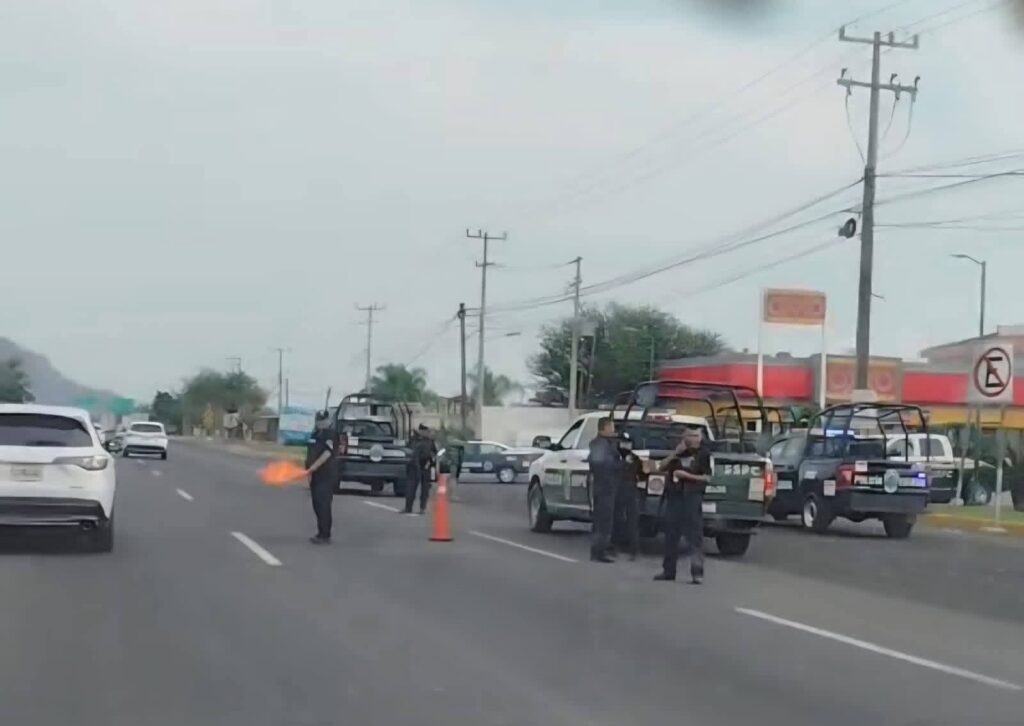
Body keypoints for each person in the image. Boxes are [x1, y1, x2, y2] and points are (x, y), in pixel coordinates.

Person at [654, 427, 711, 583]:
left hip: (692, 498)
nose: (693, 438)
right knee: (671, 536)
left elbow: (707, 477)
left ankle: (697, 573)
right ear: (684, 437)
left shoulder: (704, 454)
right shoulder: (678, 452)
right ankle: (668, 571)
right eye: (690, 435)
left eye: (696, 435)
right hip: (675, 497)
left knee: (694, 538)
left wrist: (686, 475)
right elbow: (661, 466)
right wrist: (675, 454)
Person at [588, 416, 626, 563]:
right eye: (611, 427)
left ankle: (604, 548)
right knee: (603, 520)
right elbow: (601, 465)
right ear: (604, 428)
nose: (613, 430)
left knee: (608, 520)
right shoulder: (599, 444)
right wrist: (622, 464)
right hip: (603, 487)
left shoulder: (607, 443)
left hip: (609, 486)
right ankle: (599, 551)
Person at [305, 410, 339, 545]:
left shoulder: (330, 434)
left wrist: (313, 467)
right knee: (316, 504)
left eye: (323, 420)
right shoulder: (315, 433)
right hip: (315, 475)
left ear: (328, 420)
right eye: (319, 420)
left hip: (326, 474)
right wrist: (309, 471)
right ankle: (320, 532)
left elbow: (327, 453)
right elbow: (310, 451)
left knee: (323, 504)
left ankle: (325, 535)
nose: (320, 422)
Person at [403, 424, 437, 515]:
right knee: (411, 488)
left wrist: (432, 461)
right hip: (414, 466)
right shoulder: (414, 440)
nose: (427, 432)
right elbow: (409, 452)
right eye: (425, 431)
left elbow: (434, 452)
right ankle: (408, 507)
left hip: (425, 466)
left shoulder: (429, 441)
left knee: (425, 489)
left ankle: (422, 508)